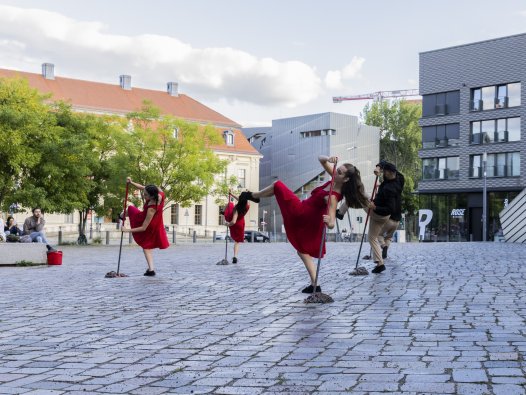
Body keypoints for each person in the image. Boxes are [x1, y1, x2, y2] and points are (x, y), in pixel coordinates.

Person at [240, 155, 369, 293]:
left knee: (278, 185)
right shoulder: (335, 178)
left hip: (302, 215)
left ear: (346, 179)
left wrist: (329, 222)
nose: (336, 171)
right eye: (338, 169)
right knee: (302, 252)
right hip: (304, 211)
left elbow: (331, 222)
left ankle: (253, 196)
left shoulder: (333, 197)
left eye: (340, 172)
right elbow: (320, 159)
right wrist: (329, 159)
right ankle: (316, 285)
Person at [121, 178, 169, 276]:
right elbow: (142, 187)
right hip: (155, 221)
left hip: (148, 223)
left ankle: (121, 216)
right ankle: (151, 270)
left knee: (130, 208)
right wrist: (131, 182)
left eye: (146, 195)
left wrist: (127, 230)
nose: (144, 195)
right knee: (146, 246)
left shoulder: (152, 208)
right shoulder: (159, 192)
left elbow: (143, 228)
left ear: (152, 196)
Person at [377, 165, 405, 259]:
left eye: (385, 171)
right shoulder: (400, 180)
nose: (384, 173)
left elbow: (389, 208)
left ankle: (384, 247)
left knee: (378, 235)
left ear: (390, 172)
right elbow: (399, 174)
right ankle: (385, 252)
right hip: (397, 220)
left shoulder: (388, 188)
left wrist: (375, 207)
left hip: (389, 219)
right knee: (388, 237)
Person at [223, 196, 250, 264]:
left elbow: (233, 222)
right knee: (237, 241)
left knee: (230, 204)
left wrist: (227, 224)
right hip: (241, 224)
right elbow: (242, 201)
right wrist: (232, 194)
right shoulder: (247, 206)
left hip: (234, 222)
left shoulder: (236, 209)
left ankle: (224, 213)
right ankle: (235, 256)